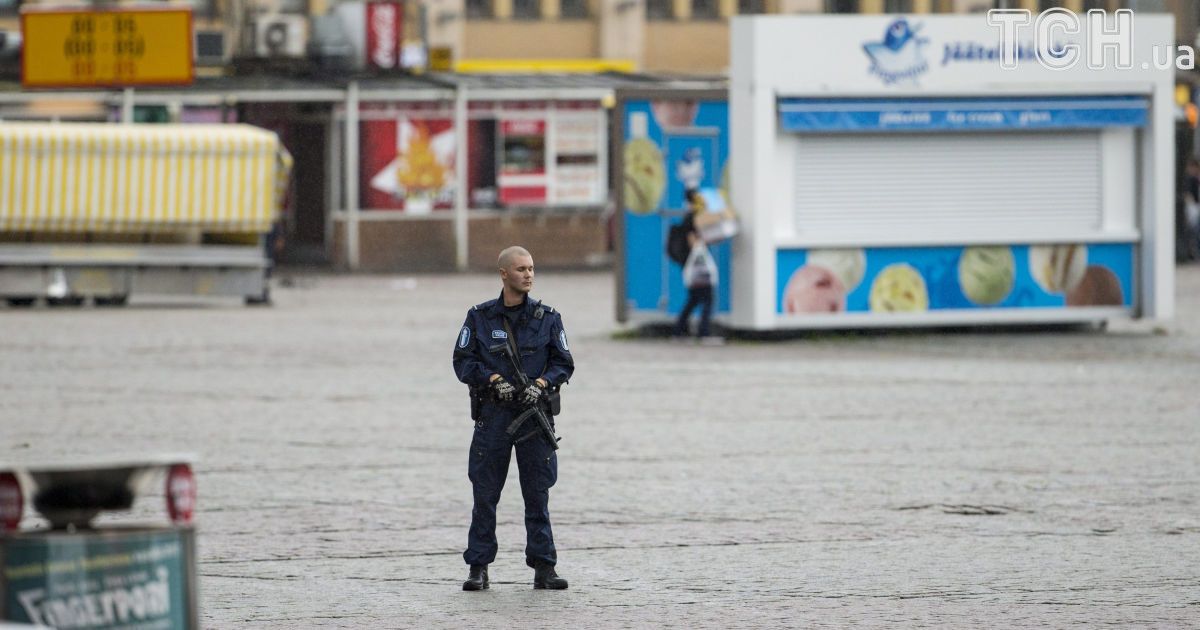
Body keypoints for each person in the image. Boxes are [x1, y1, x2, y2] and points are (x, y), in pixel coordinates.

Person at [452, 246, 574, 591]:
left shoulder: (548, 318)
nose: (528, 275)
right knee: (485, 493)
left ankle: (544, 566)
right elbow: (463, 360)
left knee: (538, 493)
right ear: (504, 273)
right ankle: (478, 566)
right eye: (521, 269)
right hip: (494, 416)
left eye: (532, 268)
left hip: (534, 419)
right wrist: (492, 380)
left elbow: (563, 362)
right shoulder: (480, 318)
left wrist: (541, 384)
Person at [673, 190, 722, 344]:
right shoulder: (692, 218)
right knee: (707, 298)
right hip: (697, 266)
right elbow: (693, 241)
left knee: (694, 298)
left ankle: (680, 329)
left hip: (690, 265)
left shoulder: (689, 217)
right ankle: (703, 332)